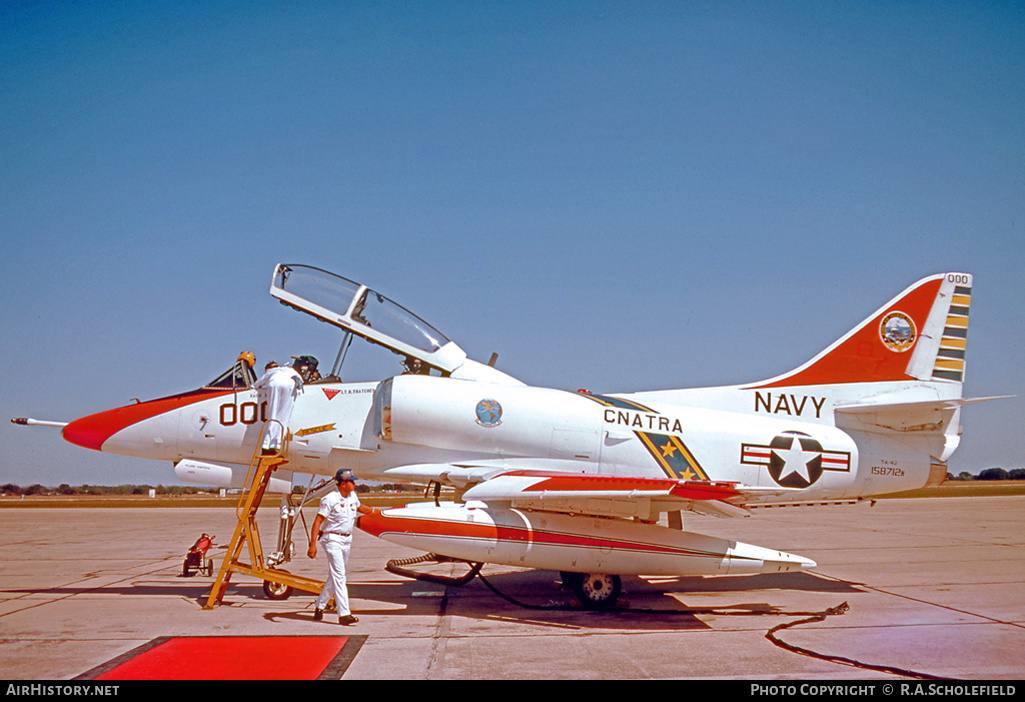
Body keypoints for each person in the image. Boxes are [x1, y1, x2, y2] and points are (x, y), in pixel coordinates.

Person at [307, 469, 373, 625]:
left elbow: (360, 507)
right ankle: (344, 614)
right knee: (340, 576)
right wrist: (312, 544)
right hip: (332, 540)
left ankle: (320, 605)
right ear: (343, 484)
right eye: (352, 481)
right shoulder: (330, 499)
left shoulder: (352, 496)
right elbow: (317, 521)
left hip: (346, 540)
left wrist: (378, 513)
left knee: (335, 576)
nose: (355, 484)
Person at [252, 360, 303, 455]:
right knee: (284, 417)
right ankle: (277, 445)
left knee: (273, 415)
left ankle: (266, 445)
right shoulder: (289, 369)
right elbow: (300, 380)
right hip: (290, 385)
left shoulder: (271, 371)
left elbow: (256, 384)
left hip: (274, 384)